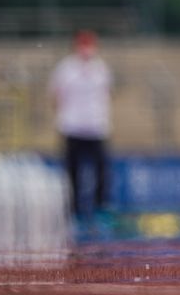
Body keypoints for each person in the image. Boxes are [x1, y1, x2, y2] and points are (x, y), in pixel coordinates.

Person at [51, 30, 113, 221]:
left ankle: (100, 206)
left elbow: (107, 94)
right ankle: (73, 208)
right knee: (73, 170)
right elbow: (55, 95)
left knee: (101, 169)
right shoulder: (65, 68)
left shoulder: (101, 68)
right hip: (73, 126)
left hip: (96, 127)